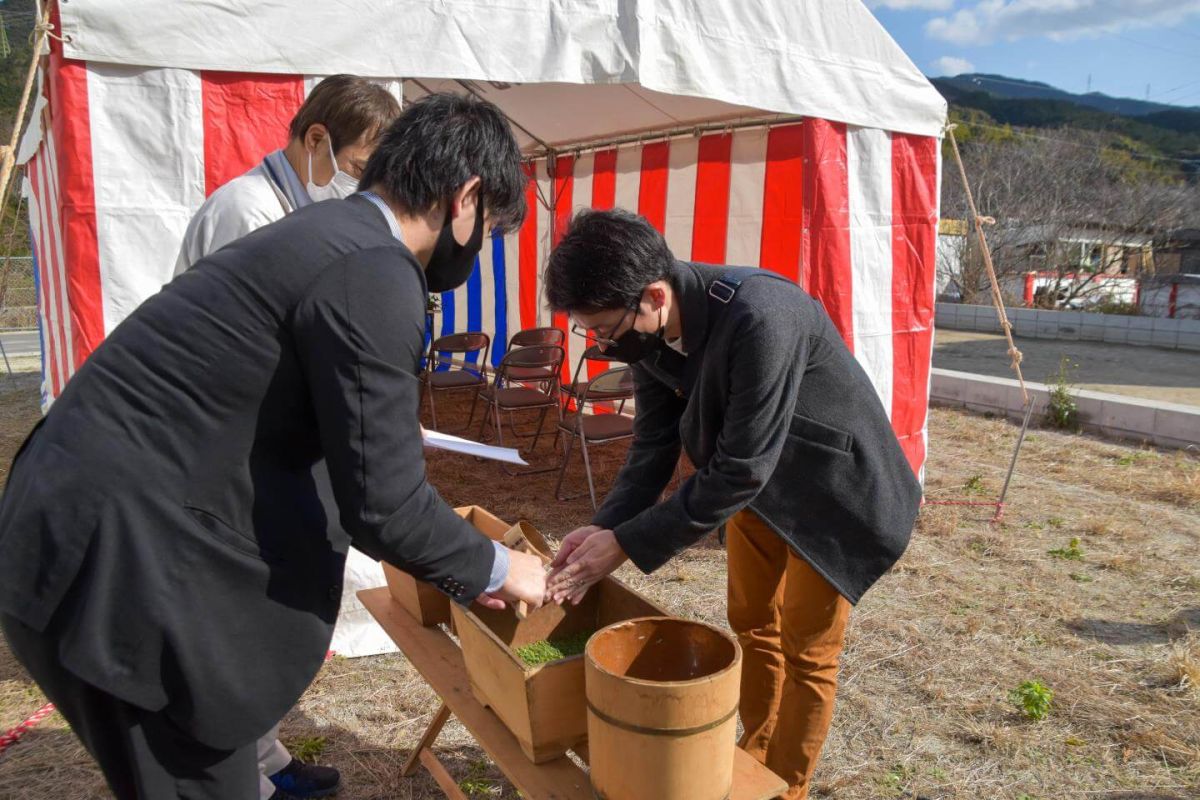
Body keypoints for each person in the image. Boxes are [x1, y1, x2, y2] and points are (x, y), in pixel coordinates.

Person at [0, 93, 546, 800]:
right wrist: (501, 567)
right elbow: (385, 505)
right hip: (120, 575)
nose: (480, 247)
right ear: (466, 196)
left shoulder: (324, 234)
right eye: (491, 229)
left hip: (80, 536)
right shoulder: (377, 270)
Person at [542, 209, 922, 800]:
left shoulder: (760, 315)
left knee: (807, 651)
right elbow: (653, 445)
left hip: (834, 496)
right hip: (754, 493)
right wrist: (603, 527)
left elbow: (741, 466)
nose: (603, 341)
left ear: (654, 295)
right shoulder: (648, 331)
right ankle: (755, 748)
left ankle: (783, 788)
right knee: (751, 623)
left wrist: (625, 546)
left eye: (605, 328)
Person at [173, 74, 400, 800]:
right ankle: (249, 777)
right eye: (362, 167)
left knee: (262, 613)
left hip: (263, 443)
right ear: (315, 142)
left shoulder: (291, 207)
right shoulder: (247, 210)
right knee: (238, 615)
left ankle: (266, 757)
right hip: (228, 445)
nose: (361, 188)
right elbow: (248, 348)